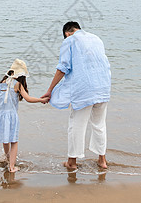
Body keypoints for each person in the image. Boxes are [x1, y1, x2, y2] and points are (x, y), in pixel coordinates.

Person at [41, 21, 111, 171]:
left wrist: (50, 89)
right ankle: (102, 160)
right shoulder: (96, 39)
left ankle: (72, 162)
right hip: (103, 87)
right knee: (99, 125)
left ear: (67, 33)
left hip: (84, 89)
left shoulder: (70, 40)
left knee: (77, 125)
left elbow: (63, 68)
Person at [0, 59, 48, 172]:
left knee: (5, 139)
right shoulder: (17, 85)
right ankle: (12, 167)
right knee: (13, 141)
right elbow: (28, 99)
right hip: (10, 116)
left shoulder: (1, 83)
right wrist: (41, 100)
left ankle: (8, 157)